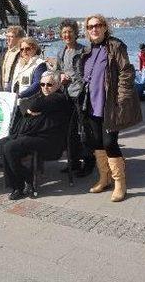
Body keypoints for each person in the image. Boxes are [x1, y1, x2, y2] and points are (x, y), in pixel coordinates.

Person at [82, 15, 142, 202]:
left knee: (110, 143)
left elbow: (126, 72)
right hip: (91, 104)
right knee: (97, 143)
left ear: (105, 27)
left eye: (98, 25)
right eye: (90, 26)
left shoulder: (115, 46)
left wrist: (122, 99)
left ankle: (120, 183)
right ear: (87, 30)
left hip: (110, 105)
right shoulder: (88, 50)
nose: (94, 29)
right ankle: (104, 178)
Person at [0, 71, 71, 200]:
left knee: (9, 147)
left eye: (49, 84)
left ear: (58, 85)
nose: (45, 87)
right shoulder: (43, 96)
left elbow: (33, 105)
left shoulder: (59, 98)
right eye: (42, 84)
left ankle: (21, 185)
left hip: (49, 141)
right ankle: (23, 180)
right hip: (33, 134)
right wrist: (31, 110)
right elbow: (26, 106)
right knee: (1, 144)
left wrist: (32, 110)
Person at [56, 19, 95, 177]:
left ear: (75, 33)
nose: (67, 35)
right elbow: (58, 71)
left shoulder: (85, 50)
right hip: (67, 96)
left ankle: (89, 163)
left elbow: (91, 73)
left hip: (82, 96)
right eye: (64, 32)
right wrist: (61, 76)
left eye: (69, 32)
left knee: (84, 131)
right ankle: (73, 162)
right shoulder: (61, 52)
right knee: (70, 131)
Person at [10, 37, 47, 115]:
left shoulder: (40, 64)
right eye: (22, 49)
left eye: (27, 49)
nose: (24, 51)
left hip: (31, 103)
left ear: (35, 49)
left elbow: (37, 84)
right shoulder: (19, 64)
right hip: (17, 103)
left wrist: (21, 95)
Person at [0, 25, 25, 91]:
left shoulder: (21, 52)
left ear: (19, 38)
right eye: (7, 36)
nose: (7, 39)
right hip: (3, 85)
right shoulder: (6, 52)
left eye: (11, 37)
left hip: (14, 87)